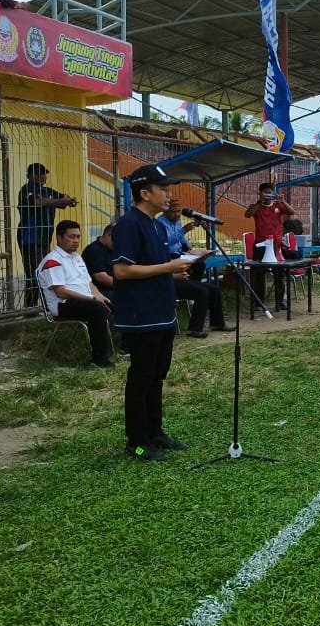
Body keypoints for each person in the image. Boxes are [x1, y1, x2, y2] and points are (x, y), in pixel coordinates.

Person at [112, 165, 192, 462]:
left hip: (162, 312)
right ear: (145, 193)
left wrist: (173, 274)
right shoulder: (129, 224)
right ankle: (137, 440)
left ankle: (156, 432)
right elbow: (122, 270)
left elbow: (151, 267)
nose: (169, 195)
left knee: (158, 376)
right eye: (164, 189)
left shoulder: (155, 225)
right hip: (142, 315)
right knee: (141, 377)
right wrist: (167, 269)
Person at [37, 220, 114, 368]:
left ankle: (127, 347)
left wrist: (99, 295)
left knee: (120, 299)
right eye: (71, 237)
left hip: (85, 300)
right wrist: (92, 298)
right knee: (97, 309)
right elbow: (61, 292)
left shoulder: (77, 257)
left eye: (78, 237)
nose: (76, 241)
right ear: (59, 238)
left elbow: (89, 283)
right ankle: (99, 360)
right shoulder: (52, 260)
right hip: (63, 305)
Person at [162, 200, 228, 338]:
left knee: (213, 288)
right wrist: (182, 231)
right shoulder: (160, 224)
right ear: (165, 211)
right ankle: (194, 329)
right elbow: (166, 243)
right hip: (169, 266)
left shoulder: (178, 222)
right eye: (173, 211)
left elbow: (183, 243)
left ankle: (217, 323)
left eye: (178, 212)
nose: (177, 214)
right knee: (202, 291)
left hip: (181, 260)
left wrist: (194, 251)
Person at [17, 162, 77, 308]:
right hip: (30, 238)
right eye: (38, 173)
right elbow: (37, 202)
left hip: (44, 238)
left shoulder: (47, 191)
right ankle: (30, 309)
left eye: (44, 173)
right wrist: (60, 201)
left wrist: (67, 201)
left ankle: (44, 306)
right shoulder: (27, 190)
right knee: (35, 274)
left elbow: (65, 199)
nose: (42, 176)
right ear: (29, 175)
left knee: (44, 273)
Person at [244, 182, 296, 311]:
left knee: (280, 273)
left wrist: (283, 201)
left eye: (270, 192)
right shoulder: (256, 207)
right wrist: (259, 202)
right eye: (265, 192)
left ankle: (280, 302)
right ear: (260, 193)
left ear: (273, 193)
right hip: (261, 244)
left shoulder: (278, 206)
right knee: (258, 274)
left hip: (276, 245)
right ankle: (257, 302)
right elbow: (247, 214)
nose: (268, 195)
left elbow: (292, 211)